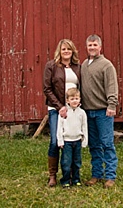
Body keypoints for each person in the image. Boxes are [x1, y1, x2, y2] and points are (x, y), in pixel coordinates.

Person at [80, 34, 119, 188]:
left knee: (107, 143)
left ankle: (110, 176)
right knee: (94, 145)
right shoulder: (84, 64)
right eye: (90, 45)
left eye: (95, 45)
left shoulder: (106, 65)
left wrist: (111, 105)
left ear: (100, 47)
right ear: (86, 47)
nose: (92, 48)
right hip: (88, 112)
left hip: (103, 111)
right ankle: (96, 174)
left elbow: (112, 86)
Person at [42, 39, 82, 187]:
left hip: (73, 109)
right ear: (60, 50)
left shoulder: (78, 67)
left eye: (69, 49)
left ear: (73, 51)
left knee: (72, 141)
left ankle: (71, 174)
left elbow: (81, 87)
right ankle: (52, 175)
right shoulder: (51, 66)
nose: (66, 52)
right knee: (55, 141)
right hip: (56, 109)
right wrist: (60, 107)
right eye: (64, 49)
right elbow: (47, 88)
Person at [57, 87, 88, 187]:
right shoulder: (64, 113)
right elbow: (59, 127)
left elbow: (84, 127)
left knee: (77, 161)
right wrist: (60, 141)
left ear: (80, 99)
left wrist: (84, 140)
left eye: (76, 98)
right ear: (67, 100)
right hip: (67, 141)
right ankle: (65, 180)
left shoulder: (82, 113)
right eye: (72, 99)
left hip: (77, 140)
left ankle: (76, 179)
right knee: (66, 162)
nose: (74, 101)